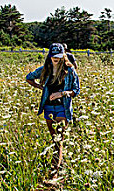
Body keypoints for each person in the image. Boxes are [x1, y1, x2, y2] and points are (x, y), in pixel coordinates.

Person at [26, 43, 80, 171]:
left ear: (63, 56)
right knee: (54, 138)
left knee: (58, 139)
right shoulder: (45, 69)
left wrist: (61, 93)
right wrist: (41, 87)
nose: (56, 59)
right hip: (48, 108)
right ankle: (60, 163)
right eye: (53, 56)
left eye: (59, 56)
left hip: (63, 107)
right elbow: (29, 78)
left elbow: (76, 90)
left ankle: (55, 170)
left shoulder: (69, 70)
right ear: (49, 56)